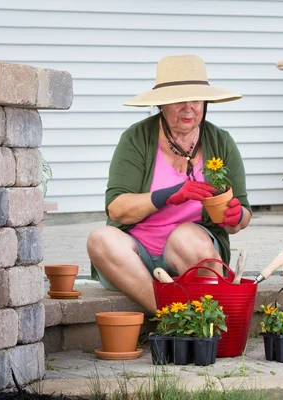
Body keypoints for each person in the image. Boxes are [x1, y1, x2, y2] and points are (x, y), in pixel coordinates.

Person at [87, 55, 252, 314]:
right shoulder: (136, 138)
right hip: (135, 259)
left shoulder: (221, 142)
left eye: (196, 100)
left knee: (188, 236)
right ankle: (169, 315)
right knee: (100, 239)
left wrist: (237, 215)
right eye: (178, 100)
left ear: (205, 103)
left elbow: (241, 217)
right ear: (161, 105)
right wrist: (169, 195)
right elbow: (116, 208)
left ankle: (202, 316)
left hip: (190, 254)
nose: (189, 108)